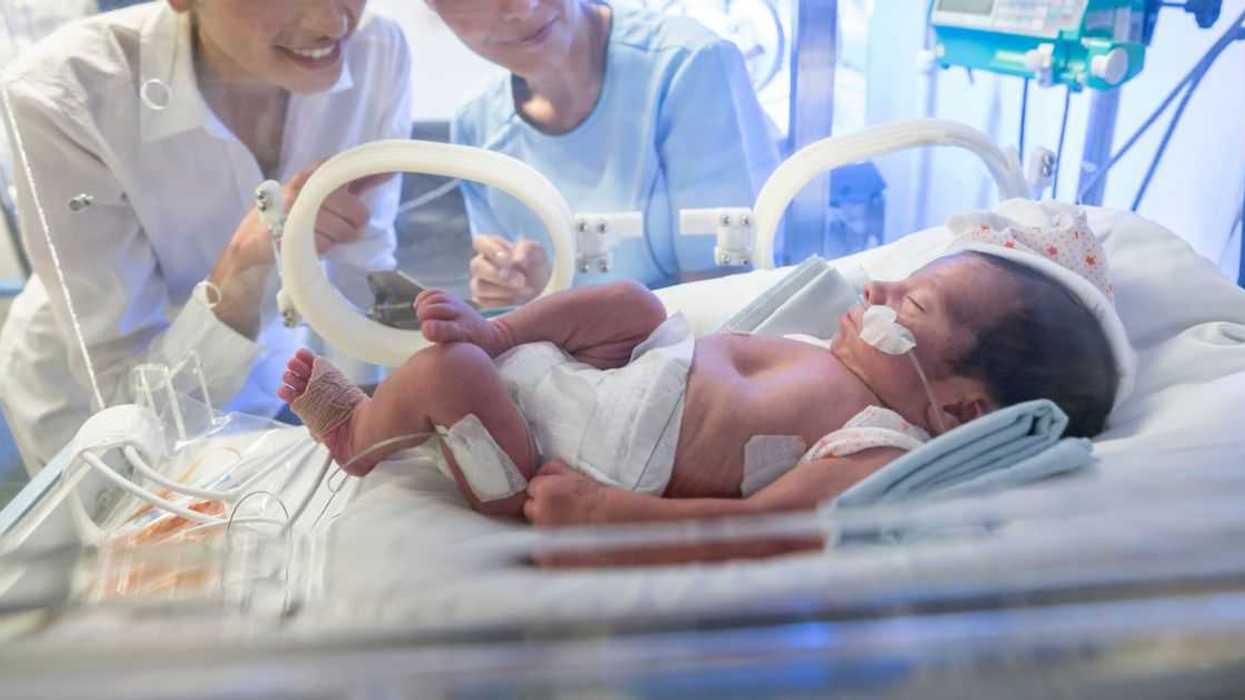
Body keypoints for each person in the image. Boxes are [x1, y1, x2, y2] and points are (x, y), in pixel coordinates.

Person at [278, 221, 1121, 534]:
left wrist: (615, 519)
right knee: (625, 299)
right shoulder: (831, 355)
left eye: (918, 302)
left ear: (962, 402)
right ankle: (497, 328)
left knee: (449, 373)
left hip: (572, 461)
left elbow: (764, 528)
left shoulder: (875, 442)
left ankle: (361, 434)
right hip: (622, 381)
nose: (879, 289)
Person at [0, 0, 413, 469]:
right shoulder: (67, 92)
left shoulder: (376, 50)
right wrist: (244, 263)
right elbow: (125, 401)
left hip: (271, 366)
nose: (331, 22)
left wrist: (377, 430)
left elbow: (360, 272)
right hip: (97, 411)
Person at [429, 0, 780, 307]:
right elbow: (515, 313)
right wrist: (517, 291)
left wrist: (564, 315)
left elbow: (724, 300)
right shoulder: (477, 125)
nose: (523, 7)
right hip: (570, 368)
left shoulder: (688, 66)